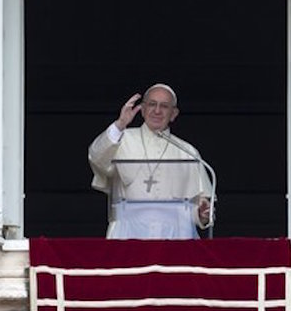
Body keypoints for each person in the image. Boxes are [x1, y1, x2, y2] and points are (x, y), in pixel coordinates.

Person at [88, 83, 213, 239]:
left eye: (165, 106)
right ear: (143, 109)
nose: (157, 111)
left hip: (176, 235)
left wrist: (201, 214)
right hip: (128, 232)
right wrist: (120, 124)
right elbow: (96, 158)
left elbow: (197, 207)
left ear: (174, 114)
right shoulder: (121, 139)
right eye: (152, 104)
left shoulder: (188, 152)